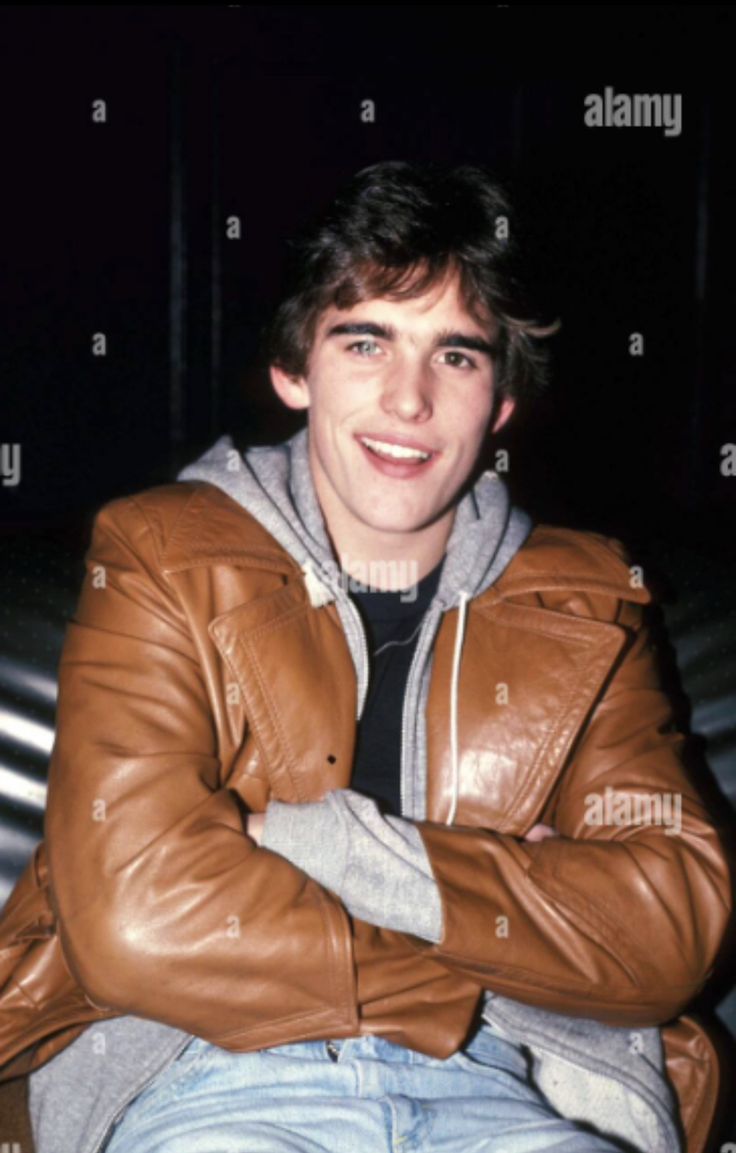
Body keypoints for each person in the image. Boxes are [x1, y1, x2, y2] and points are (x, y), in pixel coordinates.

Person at [0, 160, 731, 1153]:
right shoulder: (161, 553)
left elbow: (668, 930)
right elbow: (138, 916)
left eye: (459, 357)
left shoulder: (585, 595)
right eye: (365, 340)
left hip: (511, 1090)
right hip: (206, 1071)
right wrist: (489, 937)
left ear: (500, 403)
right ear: (293, 368)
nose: (410, 399)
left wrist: (334, 851)